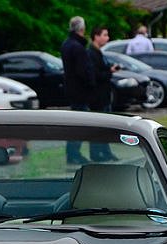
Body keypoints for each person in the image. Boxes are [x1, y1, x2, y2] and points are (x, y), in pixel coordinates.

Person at [61, 16, 93, 164]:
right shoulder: (78, 47)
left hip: (71, 88)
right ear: (82, 29)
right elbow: (82, 71)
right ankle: (74, 153)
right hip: (80, 90)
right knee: (81, 123)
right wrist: (90, 83)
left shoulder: (66, 44)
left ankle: (72, 153)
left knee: (75, 121)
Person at [87, 26, 118, 161]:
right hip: (97, 96)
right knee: (98, 126)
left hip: (104, 95)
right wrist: (109, 72)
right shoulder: (91, 53)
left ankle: (105, 151)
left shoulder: (99, 52)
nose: (107, 38)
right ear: (96, 36)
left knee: (106, 126)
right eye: (104, 35)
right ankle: (96, 153)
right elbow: (96, 74)